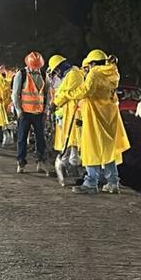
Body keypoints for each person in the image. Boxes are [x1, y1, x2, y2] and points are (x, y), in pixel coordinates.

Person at [63, 49, 131, 194]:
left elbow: (85, 91)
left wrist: (67, 94)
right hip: (109, 117)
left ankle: (91, 182)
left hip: (95, 116)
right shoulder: (113, 72)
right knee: (107, 151)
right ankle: (113, 182)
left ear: (92, 63)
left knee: (91, 148)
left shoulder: (95, 73)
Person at [11, 52, 50, 174]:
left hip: (39, 113)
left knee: (41, 139)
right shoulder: (21, 74)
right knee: (22, 139)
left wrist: (46, 110)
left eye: (38, 66)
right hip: (25, 113)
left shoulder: (44, 75)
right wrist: (19, 111)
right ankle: (21, 163)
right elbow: (15, 94)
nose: (36, 68)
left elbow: (47, 94)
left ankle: (40, 162)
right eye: (34, 66)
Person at [50, 56, 85, 186]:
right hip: (69, 112)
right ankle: (69, 167)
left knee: (74, 142)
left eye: (56, 70)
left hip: (75, 112)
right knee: (69, 142)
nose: (57, 73)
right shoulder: (69, 75)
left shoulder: (73, 75)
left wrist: (55, 103)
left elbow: (65, 93)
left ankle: (78, 172)